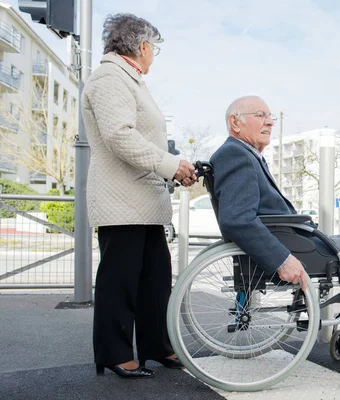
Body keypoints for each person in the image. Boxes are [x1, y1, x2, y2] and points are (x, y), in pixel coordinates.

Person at [210, 95, 340, 346]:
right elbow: (237, 219)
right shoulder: (236, 154)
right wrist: (281, 259)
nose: (270, 122)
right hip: (291, 248)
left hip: (293, 240)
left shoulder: (243, 154)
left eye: (270, 117)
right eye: (260, 115)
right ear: (235, 122)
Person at [82, 14, 196, 379]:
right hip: (121, 200)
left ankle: (156, 345)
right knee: (121, 281)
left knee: (154, 279)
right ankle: (114, 353)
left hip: (142, 201)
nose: (154, 56)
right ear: (142, 46)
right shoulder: (109, 77)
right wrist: (170, 164)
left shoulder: (128, 79)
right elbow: (119, 136)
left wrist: (171, 166)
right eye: (154, 48)